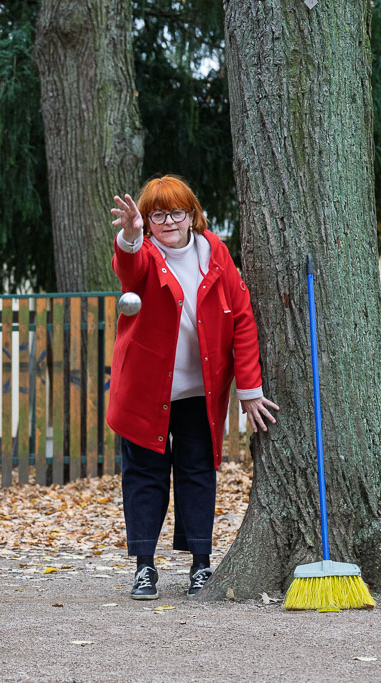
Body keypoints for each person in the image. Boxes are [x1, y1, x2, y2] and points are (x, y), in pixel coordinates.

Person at [108, 175, 278, 600]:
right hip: (146, 391)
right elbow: (128, 270)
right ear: (147, 222)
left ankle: (201, 565)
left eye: (176, 212)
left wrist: (249, 388)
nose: (168, 222)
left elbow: (241, 317)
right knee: (144, 476)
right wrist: (129, 236)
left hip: (200, 392)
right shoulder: (145, 253)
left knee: (197, 474)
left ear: (191, 215)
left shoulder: (215, 253)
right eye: (157, 215)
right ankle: (144, 567)